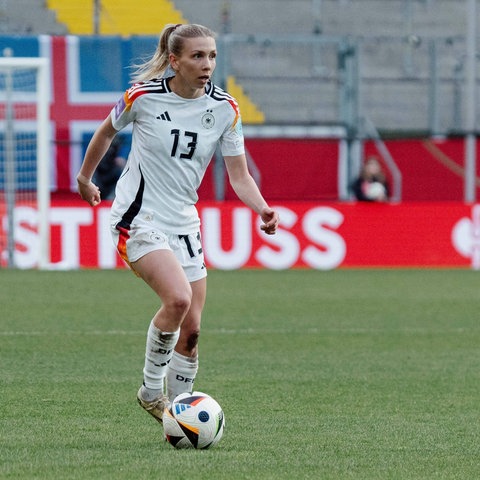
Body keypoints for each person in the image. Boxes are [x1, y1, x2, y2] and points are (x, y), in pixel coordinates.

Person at [76, 23, 280, 425]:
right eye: (198, 56)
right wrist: (86, 178)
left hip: (185, 222)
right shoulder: (143, 97)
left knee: (192, 330)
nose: (208, 64)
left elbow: (238, 174)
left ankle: (182, 413)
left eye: (213, 56)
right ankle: (151, 391)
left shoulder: (225, 109)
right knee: (178, 299)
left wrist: (261, 208)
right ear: (175, 60)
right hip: (139, 218)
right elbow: (104, 133)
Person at [92, 135, 126, 200]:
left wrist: (124, 166)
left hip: (111, 191)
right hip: (99, 186)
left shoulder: (117, 163)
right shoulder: (98, 159)